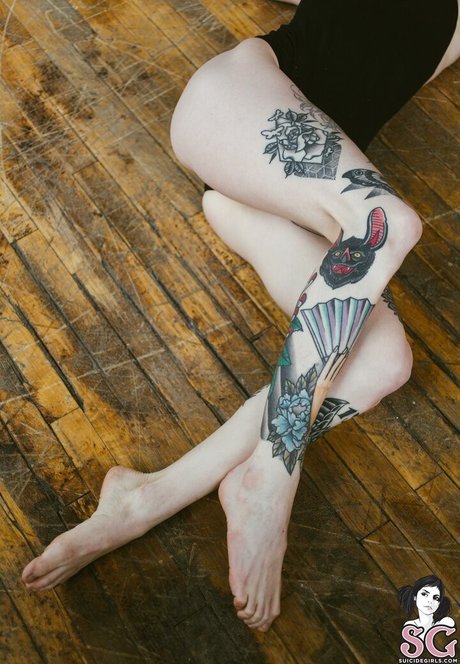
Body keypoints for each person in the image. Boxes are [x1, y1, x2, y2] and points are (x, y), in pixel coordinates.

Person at [21, 0, 460, 634]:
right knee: (386, 222)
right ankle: (273, 474)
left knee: (384, 361)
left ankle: (147, 496)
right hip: (238, 108)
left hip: (279, 202)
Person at [399, 575, 455, 639]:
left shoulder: (446, 622)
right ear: (415, 596)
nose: (430, 601)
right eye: (424, 594)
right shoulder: (410, 625)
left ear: (439, 603)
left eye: (436, 598)